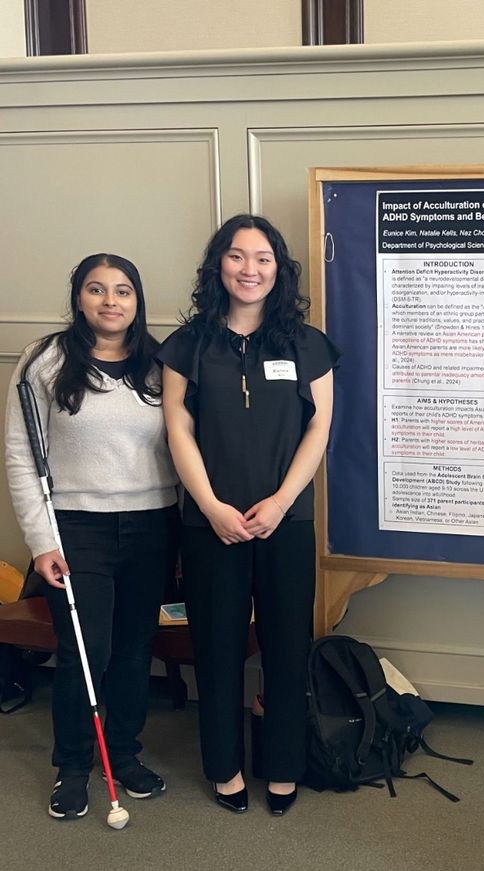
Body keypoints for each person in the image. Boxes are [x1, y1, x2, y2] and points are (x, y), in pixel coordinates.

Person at [159, 214, 337, 817]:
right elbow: (177, 429)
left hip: (286, 520)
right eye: (237, 257)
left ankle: (283, 766)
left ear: (278, 270)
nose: (249, 269)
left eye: (262, 259)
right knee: (217, 646)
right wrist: (210, 506)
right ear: (219, 266)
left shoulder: (306, 342)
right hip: (211, 523)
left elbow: (320, 427)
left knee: (287, 645)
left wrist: (283, 501)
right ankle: (223, 767)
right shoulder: (188, 344)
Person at [5, 253, 179, 820]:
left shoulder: (162, 363)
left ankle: (122, 755)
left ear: (137, 299)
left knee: (133, 651)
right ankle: (74, 765)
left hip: (153, 524)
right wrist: (40, 541)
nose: (111, 301)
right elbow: (20, 455)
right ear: (78, 297)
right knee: (88, 652)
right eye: (97, 289)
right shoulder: (44, 361)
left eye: (123, 290)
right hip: (77, 529)